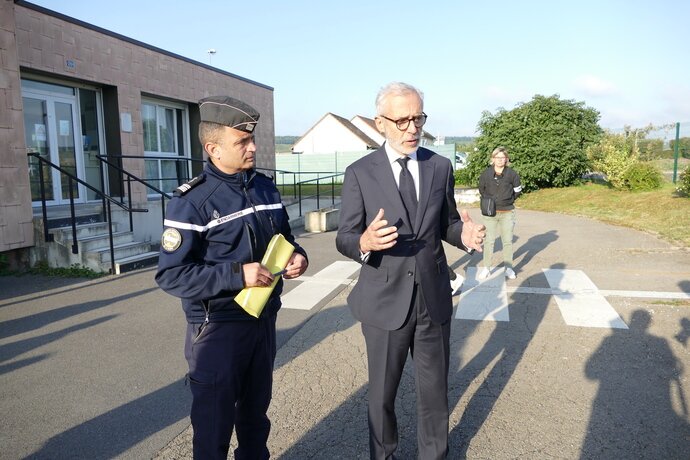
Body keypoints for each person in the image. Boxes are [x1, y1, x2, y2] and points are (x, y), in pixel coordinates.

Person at [336, 82, 485, 459]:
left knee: (434, 393)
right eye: (401, 120)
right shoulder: (360, 173)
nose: (412, 128)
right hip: (384, 301)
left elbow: (446, 224)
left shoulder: (439, 166)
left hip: (432, 298)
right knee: (382, 395)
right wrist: (364, 244)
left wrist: (464, 235)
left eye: (418, 118)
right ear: (380, 123)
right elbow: (345, 236)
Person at [155, 95, 308, 460]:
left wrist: (298, 256)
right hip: (217, 329)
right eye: (242, 142)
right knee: (213, 430)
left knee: (255, 421)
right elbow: (171, 275)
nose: (252, 147)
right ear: (213, 148)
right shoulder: (190, 201)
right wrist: (236, 275)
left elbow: (285, 238)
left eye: (251, 138)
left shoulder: (264, 187)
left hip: (262, 320)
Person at [477, 146, 522, 280]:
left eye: (503, 157)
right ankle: (486, 268)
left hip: (507, 212)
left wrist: (509, 199)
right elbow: (482, 190)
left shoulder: (512, 174)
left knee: (507, 241)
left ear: (506, 159)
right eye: (497, 157)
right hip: (490, 214)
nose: (500, 160)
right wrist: (490, 202)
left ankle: (508, 268)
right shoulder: (485, 174)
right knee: (489, 241)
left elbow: (518, 190)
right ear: (493, 159)